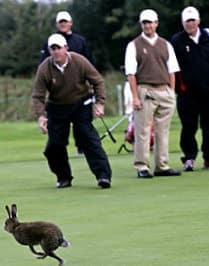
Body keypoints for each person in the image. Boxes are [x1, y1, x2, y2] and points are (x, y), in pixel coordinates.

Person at [32, 33, 112, 189]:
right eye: (52, 48)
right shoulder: (44, 68)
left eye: (58, 48)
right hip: (57, 106)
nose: (55, 52)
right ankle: (63, 177)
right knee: (54, 146)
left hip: (80, 104)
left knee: (88, 138)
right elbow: (38, 95)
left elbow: (98, 82)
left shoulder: (79, 61)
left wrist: (100, 103)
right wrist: (41, 116)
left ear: (66, 49)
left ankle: (103, 176)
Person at [125, 9, 181, 178]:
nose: (148, 25)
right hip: (145, 90)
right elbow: (131, 74)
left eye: (150, 22)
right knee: (142, 130)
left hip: (164, 90)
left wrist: (171, 92)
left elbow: (172, 70)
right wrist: (135, 97)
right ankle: (142, 166)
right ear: (141, 25)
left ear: (156, 23)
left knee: (162, 131)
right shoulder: (134, 45)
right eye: (145, 23)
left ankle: (162, 165)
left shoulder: (166, 44)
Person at [40, 11, 93, 155]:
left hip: (79, 88)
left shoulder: (79, 40)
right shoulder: (50, 42)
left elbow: (90, 65)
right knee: (58, 124)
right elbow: (43, 66)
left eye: (65, 21)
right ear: (57, 24)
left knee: (81, 122)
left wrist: (91, 86)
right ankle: (57, 148)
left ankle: (81, 147)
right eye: (60, 22)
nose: (63, 24)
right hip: (58, 90)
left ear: (71, 22)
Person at [171, 7, 209, 171]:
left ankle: (208, 158)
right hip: (187, 93)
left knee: (208, 125)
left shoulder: (208, 36)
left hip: (208, 92)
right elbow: (172, 67)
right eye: (187, 21)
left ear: (198, 21)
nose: (190, 24)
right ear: (183, 23)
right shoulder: (177, 40)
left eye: (193, 20)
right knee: (189, 126)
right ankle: (189, 157)